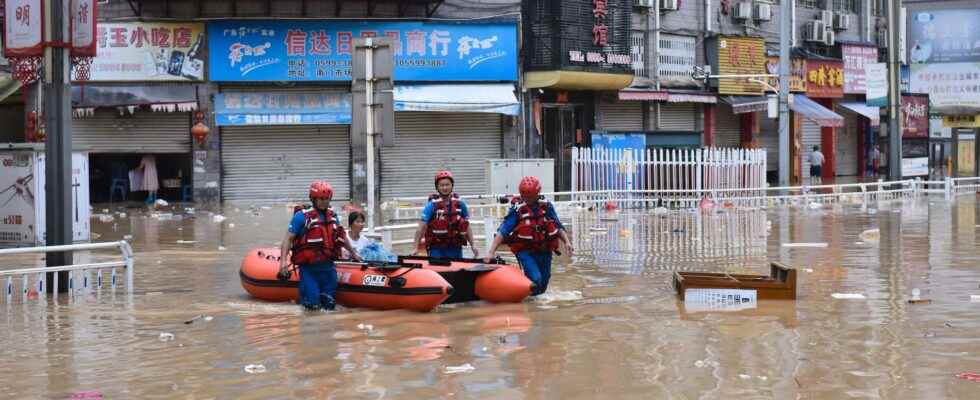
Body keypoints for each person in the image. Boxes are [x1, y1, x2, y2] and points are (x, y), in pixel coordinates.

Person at [484, 176, 573, 296]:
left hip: (545, 250)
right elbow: (503, 231)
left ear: (538, 193)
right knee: (536, 279)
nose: (527, 199)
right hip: (525, 251)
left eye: (530, 196)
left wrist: (567, 242)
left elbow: (557, 225)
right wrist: (491, 251)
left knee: (543, 285)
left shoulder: (547, 207)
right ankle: (528, 302)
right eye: (524, 196)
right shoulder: (518, 210)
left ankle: (534, 306)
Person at [279, 180, 361, 310]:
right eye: (321, 199)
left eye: (327, 199)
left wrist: (353, 253)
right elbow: (287, 239)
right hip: (309, 270)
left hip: (328, 269)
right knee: (312, 306)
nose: (324, 202)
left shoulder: (333, 216)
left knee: (329, 306)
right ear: (313, 198)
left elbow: (342, 237)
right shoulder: (302, 217)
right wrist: (283, 263)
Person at [412, 170, 479, 259]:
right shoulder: (431, 205)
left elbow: (467, 226)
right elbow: (421, 227)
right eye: (442, 185)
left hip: (456, 248)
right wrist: (415, 248)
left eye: (447, 184)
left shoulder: (460, 204)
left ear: (452, 186)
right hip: (437, 249)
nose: (445, 188)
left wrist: (473, 245)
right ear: (437, 187)